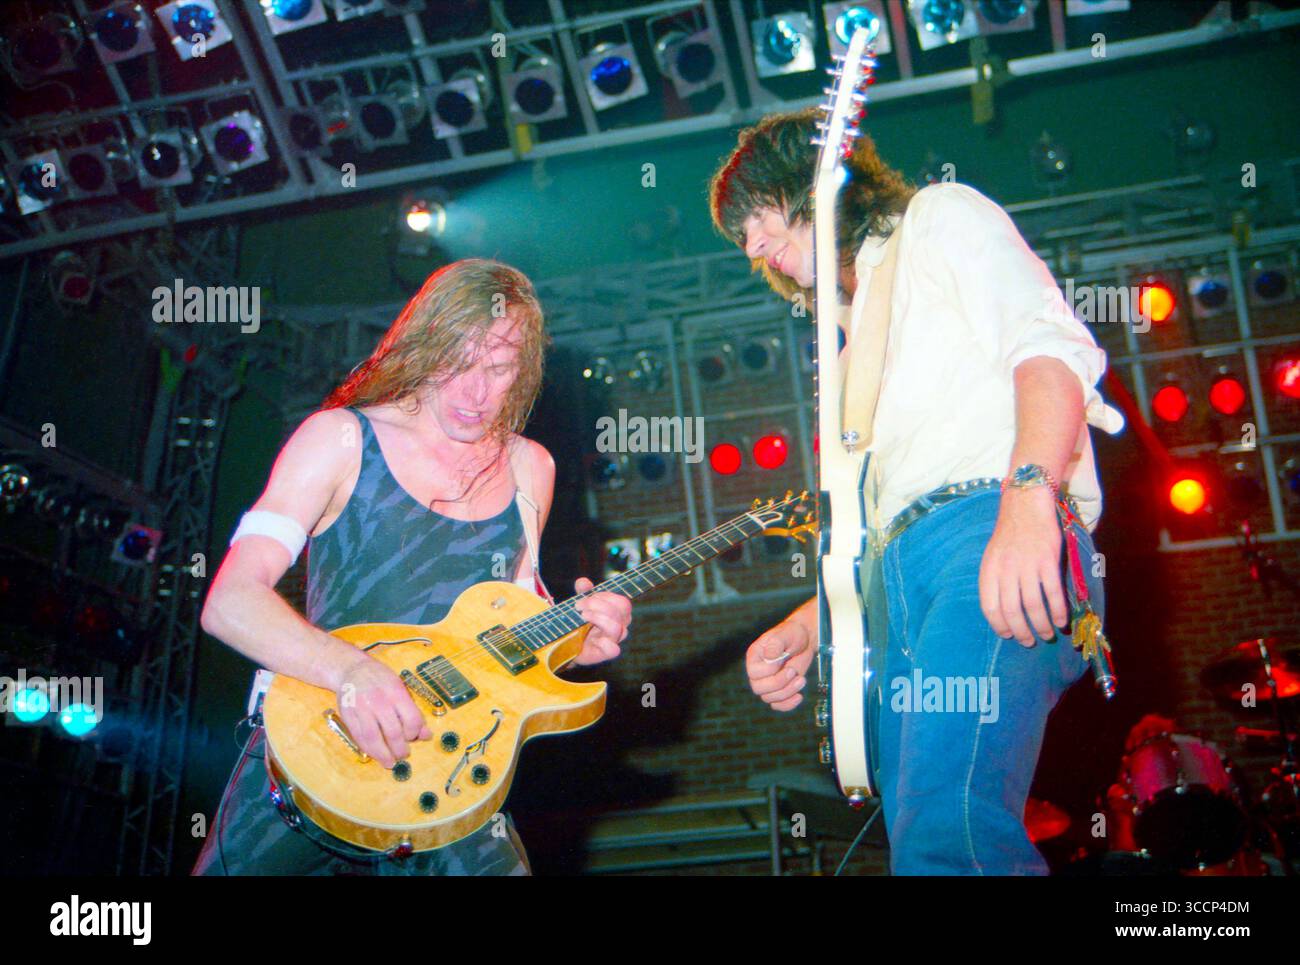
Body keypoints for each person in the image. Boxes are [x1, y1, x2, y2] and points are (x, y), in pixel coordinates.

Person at [709, 108, 1125, 874]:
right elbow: (878, 509)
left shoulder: (938, 216)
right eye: (741, 241)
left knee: (948, 828)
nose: (753, 247)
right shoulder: (849, 333)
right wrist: (816, 622)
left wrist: (1028, 496)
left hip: (983, 529)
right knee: (922, 840)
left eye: (756, 219)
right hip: (894, 580)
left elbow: (1049, 351)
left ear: (807, 181)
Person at [191, 258, 632, 875]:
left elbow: (516, 620)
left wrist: (576, 636)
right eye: (458, 364)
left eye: (499, 369)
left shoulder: (533, 467)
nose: (475, 394)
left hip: (450, 776)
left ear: (524, 370)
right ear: (423, 348)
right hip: (319, 757)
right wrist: (350, 671)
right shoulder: (339, 438)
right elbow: (230, 602)